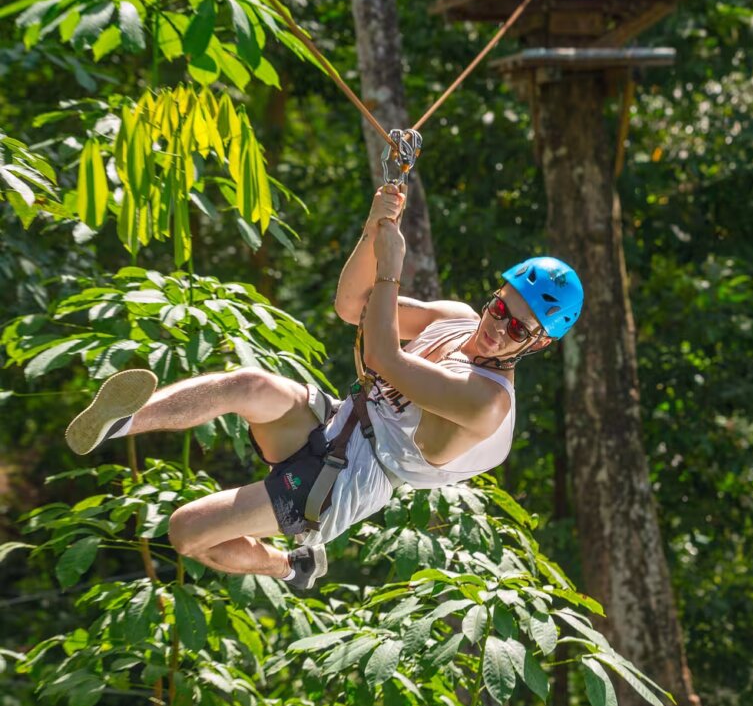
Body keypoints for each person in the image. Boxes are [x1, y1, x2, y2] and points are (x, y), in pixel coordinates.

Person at [65, 186, 583, 589]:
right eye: (500, 307)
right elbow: (353, 309)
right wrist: (376, 227)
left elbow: (383, 354)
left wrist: (391, 271)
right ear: (493, 297)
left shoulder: (487, 401)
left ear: (536, 344)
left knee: (185, 531)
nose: (497, 327)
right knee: (248, 383)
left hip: (353, 480)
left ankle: (289, 567)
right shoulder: (454, 319)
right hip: (342, 418)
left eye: (517, 328)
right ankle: (122, 420)